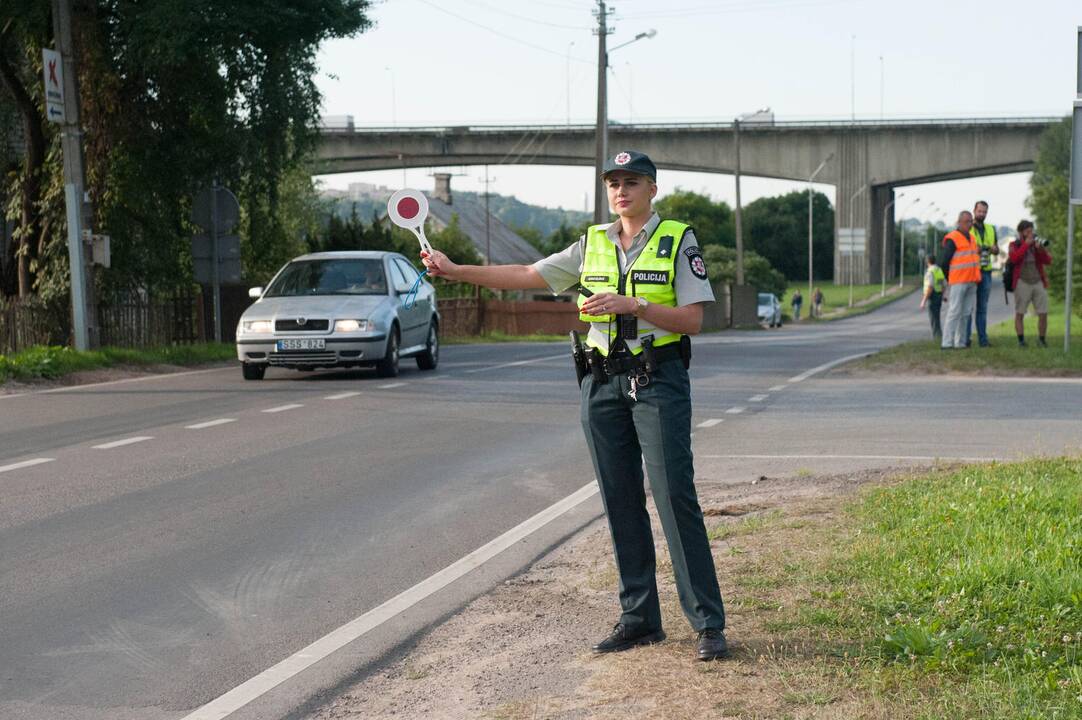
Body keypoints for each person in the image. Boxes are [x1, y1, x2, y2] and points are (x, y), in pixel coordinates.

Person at [420, 150, 730, 662]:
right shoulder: (592, 244)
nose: (621, 191)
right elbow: (525, 273)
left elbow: (694, 321)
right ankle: (639, 618)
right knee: (618, 497)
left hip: (657, 380)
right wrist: (455, 270)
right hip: (602, 381)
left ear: (653, 189)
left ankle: (707, 624)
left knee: (674, 494)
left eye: (632, 182)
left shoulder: (677, 239)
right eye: (614, 183)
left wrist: (636, 306)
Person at [938, 210, 981, 349]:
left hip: (971, 281)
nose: (970, 224)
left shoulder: (972, 238)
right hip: (958, 281)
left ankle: (960, 343)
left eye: (971, 221)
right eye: (967, 221)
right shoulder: (953, 238)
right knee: (954, 311)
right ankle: (947, 343)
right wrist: (949, 278)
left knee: (966, 313)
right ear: (959, 222)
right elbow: (944, 262)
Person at [1008, 220, 1052, 347]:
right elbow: (1014, 258)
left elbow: (1048, 261)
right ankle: (1021, 341)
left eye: (1031, 231)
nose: (1030, 234)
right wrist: (1026, 245)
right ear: (1021, 233)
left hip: (1038, 281)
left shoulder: (1036, 244)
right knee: (1020, 313)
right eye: (1027, 232)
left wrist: (1041, 250)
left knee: (1043, 313)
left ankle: (1042, 340)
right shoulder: (1014, 244)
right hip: (1022, 281)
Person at [966, 200, 1000, 347]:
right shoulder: (967, 228)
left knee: (982, 308)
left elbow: (997, 249)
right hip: (971, 271)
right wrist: (976, 248)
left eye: (984, 212)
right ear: (974, 210)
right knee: (967, 307)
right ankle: (965, 339)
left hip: (985, 271)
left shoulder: (991, 229)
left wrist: (994, 249)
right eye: (980, 211)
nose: (982, 214)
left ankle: (983, 340)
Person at [920, 254, 946, 340]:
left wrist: (924, 300)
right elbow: (943, 284)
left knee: (933, 318)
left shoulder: (930, 271)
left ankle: (936, 336)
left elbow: (930, 287)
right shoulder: (939, 270)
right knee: (937, 317)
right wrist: (943, 295)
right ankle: (939, 335)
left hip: (933, 296)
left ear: (927, 261)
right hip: (938, 296)